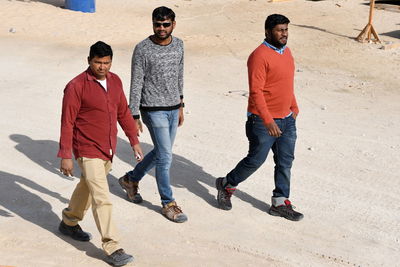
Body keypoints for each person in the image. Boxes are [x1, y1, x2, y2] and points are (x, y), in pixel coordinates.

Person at [57, 41, 143, 266]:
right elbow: (67, 122)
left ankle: (69, 221)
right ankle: (112, 246)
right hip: (86, 148)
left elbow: (123, 112)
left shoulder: (115, 81)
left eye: (106, 62)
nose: (102, 67)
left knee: (87, 186)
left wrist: (134, 140)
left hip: (107, 148)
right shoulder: (76, 86)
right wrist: (65, 153)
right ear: (89, 61)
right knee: (101, 197)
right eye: (98, 62)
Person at [216, 14, 304, 221]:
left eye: (286, 30)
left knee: (285, 161)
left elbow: (285, 83)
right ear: (267, 32)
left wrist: (294, 107)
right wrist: (268, 120)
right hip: (263, 121)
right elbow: (255, 92)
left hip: (287, 119)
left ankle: (280, 202)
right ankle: (227, 184)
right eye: (279, 30)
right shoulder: (259, 56)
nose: (284, 34)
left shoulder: (287, 52)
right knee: (255, 160)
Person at [118, 6, 187, 223]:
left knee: (160, 152)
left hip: (173, 108)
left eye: (166, 24)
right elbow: (136, 81)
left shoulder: (179, 45)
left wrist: (181, 103)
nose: (161, 28)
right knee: (165, 157)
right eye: (157, 24)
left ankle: (131, 179)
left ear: (173, 24)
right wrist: (134, 114)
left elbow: (179, 74)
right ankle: (168, 203)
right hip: (152, 109)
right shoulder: (143, 49)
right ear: (153, 24)